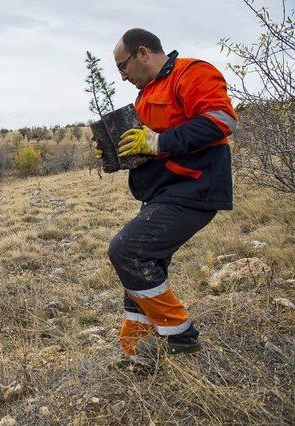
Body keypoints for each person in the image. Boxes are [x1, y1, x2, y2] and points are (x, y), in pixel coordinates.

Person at [93, 28, 238, 363]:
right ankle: (138, 356)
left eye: (123, 66)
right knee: (143, 268)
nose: (123, 76)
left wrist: (158, 142)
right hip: (161, 193)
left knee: (127, 252)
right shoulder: (145, 96)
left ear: (142, 52)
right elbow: (145, 146)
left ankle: (181, 334)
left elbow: (222, 120)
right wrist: (114, 155)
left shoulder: (192, 72)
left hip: (194, 191)